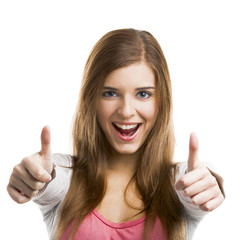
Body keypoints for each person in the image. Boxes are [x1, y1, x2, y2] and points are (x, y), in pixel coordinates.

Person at [7, 28, 225, 240]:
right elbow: (50, 179)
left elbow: (197, 180)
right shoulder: (66, 177)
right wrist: (36, 178)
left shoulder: (178, 184)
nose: (127, 111)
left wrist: (211, 182)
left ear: (162, 102)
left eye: (143, 94)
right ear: (91, 99)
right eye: (110, 93)